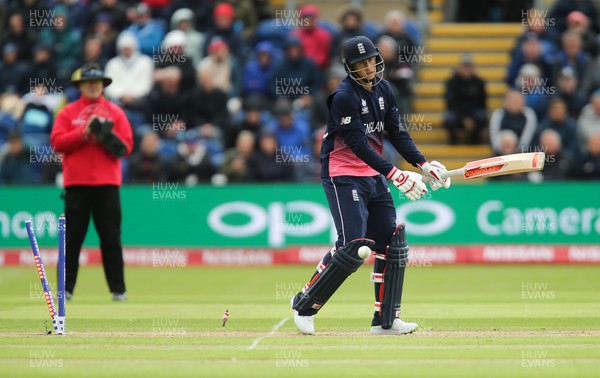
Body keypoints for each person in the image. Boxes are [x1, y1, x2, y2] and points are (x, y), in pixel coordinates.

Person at [290, 36, 451, 336]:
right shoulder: (343, 97)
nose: (367, 68)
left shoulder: (385, 89)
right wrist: (395, 174)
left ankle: (385, 320)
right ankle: (304, 304)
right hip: (343, 174)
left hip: (373, 174)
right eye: (360, 64)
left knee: (391, 243)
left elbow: (397, 133)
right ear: (350, 68)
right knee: (352, 247)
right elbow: (358, 144)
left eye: (370, 61)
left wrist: (423, 164)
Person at [50, 63, 133, 301]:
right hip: (77, 184)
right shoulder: (68, 112)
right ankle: (65, 290)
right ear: (82, 86)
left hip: (107, 184)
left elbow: (126, 147)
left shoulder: (116, 112)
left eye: (98, 83)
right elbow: (56, 142)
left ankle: (119, 290)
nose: (94, 86)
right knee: (72, 239)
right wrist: (82, 134)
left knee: (111, 238)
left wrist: (106, 136)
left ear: (103, 85)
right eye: (89, 83)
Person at [443, 54, 488, 144]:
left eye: (469, 67)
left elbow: (482, 103)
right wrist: (464, 118)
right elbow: (450, 103)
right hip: (457, 113)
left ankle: (474, 140)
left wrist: (470, 118)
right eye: (465, 66)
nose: (467, 69)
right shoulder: (451, 82)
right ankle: (453, 141)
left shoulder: (479, 83)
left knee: (483, 116)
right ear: (459, 68)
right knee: (448, 118)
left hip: (474, 113)